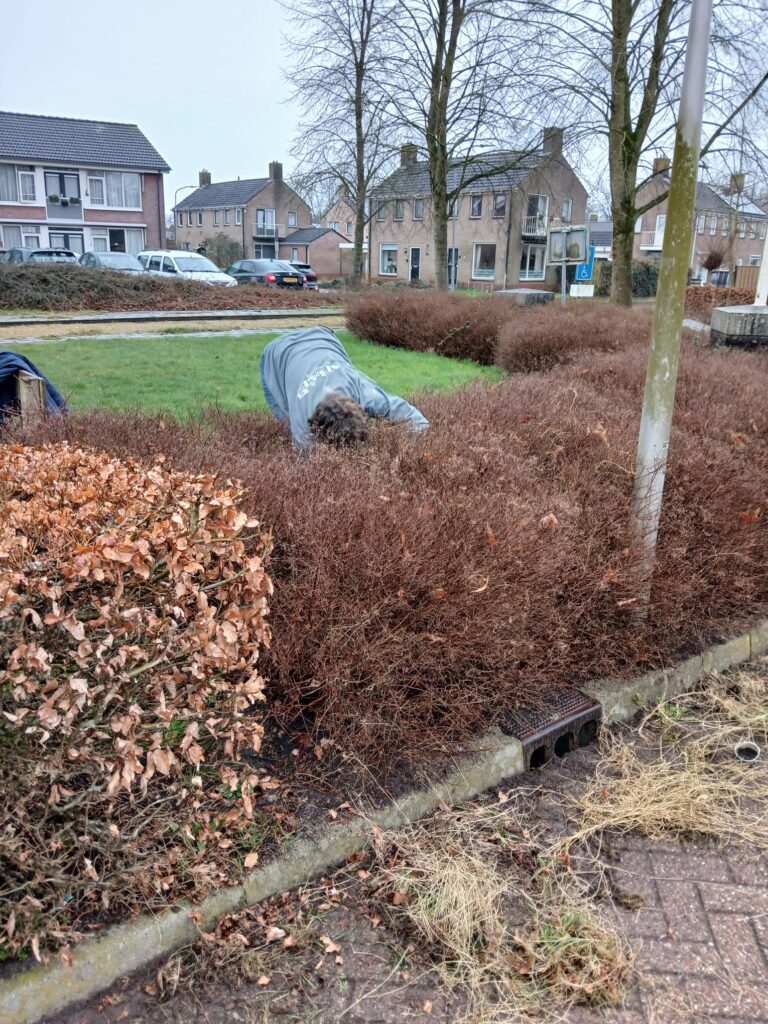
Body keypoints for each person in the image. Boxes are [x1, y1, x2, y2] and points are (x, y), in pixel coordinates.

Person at [260, 326, 428, 449]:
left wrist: (412, 450)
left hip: (322, 337)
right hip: (277, 355)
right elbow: (305, 471)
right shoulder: (302, 429)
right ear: (317, 429)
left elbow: (415, 419)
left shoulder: (364, 393)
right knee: (287, 431)